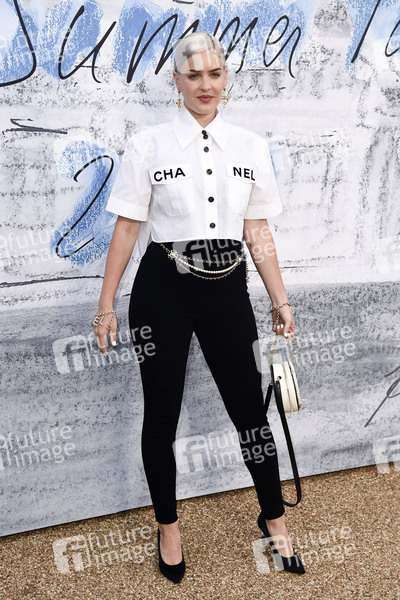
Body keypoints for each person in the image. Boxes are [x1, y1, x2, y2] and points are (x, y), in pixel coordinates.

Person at [91, 31, 305, 583]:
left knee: (250, 412)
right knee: (161, 414)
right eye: (194, 76)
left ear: (225, 77)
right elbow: (127, 227)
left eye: (214, 74)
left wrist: (279, 298)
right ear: (177, 81)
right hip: (162, 292)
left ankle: (275, 519)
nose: (205, 85)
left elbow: (256, 230)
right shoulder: (149, 145)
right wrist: (106, 304)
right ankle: (168, 527)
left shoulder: (250, 146)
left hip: (227, 289)